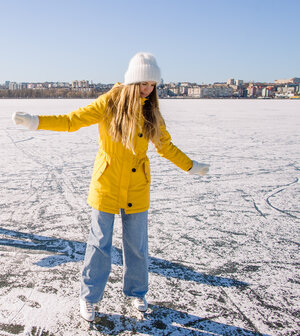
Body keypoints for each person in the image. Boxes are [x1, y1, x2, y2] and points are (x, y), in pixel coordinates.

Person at [12, 52, 209, 322]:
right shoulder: (109, 103)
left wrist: (190, 165)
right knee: (99, 243)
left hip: (137, 186)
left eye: (152, 85)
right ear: (131, 82)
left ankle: (137, 291)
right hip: (106, 184)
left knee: (137, 245)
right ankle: (89, 297)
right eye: (143, 84)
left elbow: (165, 146)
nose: (148, 90)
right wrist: (36, 121)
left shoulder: (151, 110)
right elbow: (72, 121)